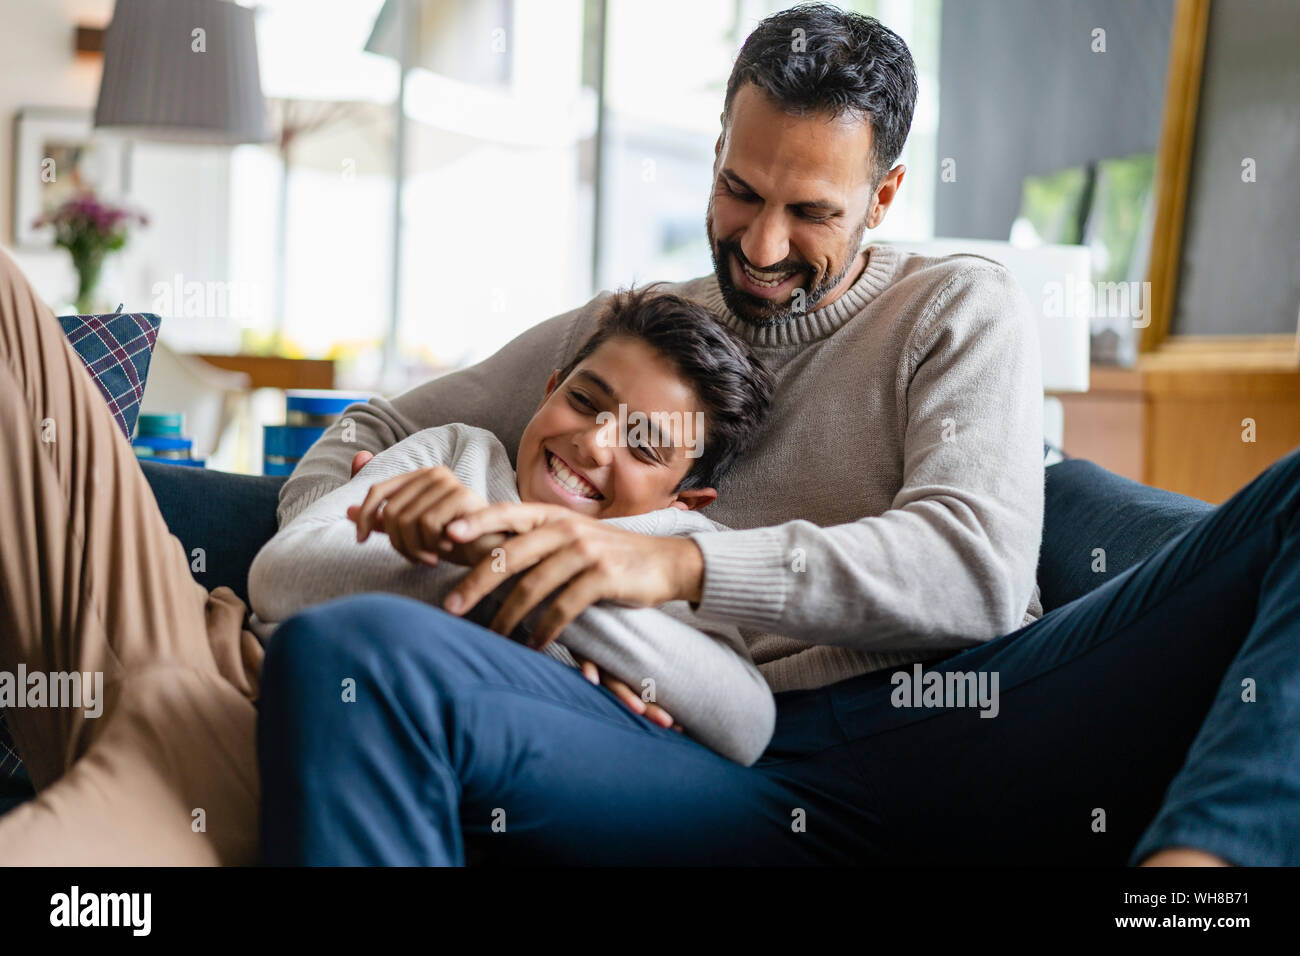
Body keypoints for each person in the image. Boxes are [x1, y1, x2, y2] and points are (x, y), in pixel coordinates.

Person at [257, 5, 1298, 865]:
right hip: (705, 742)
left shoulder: (952, 312)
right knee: (351, 654)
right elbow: (377, 425)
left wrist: (665, 564)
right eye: (738, 190)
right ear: (715, 150)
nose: (759, 245)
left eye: (810, 211)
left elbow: (972, 569)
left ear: (884, 196)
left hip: (963, 722)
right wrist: (364, 537)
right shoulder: (635, 331)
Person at [248, 286, 780, 765]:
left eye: (642, 446)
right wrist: (506, 586)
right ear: (549, 391)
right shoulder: (453, 455)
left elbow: (748, 724)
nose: (592, 444)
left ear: (685, 500)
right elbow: (278, 574)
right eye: (583, 402)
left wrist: (519, 574)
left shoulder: (676, 552)